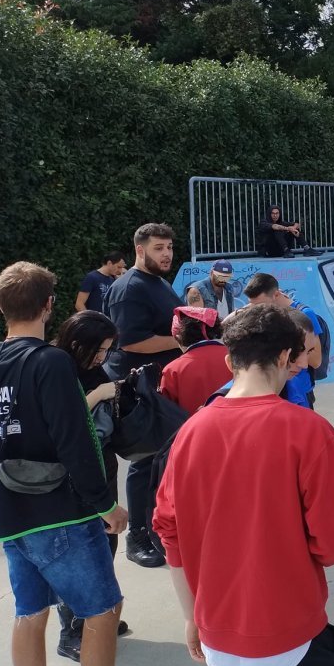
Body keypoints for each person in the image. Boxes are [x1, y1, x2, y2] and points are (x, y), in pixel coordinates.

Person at [153, 304, 334, 666]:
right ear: (284, 357)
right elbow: (333, 546)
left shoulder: (189, 433)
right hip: (289, 629)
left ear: (230, 362)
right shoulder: (310, 432)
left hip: (215, 631)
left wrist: (191, 616)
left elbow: (169, 530)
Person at [0, 262, 128, 666]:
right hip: (59, 514)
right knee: (103, 610)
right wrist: (105, 505)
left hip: (8, 516)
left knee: (30, 611)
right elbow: (76, 440)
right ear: (49, 305)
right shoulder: (51, 361)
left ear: (0, 305)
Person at [51, 310, 131, 661]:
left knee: (104, 544)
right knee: (76, 554)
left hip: (102, 468)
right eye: (98, 349)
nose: (102, 357)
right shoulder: (55, 367)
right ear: (77, 343)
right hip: (71, 476)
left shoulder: (92, 369)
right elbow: (60, 423)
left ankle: (96, 618)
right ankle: (71, 632)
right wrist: (98, 394)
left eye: (107, 350)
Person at [103, 223, 182, 569]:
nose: (166, 254)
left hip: (159, 386)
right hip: (137, 391)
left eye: (169, 247)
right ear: (139, 250)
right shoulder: (128, 288)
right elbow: (131, 341)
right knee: (145, 461)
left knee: (162, 461)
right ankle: (137, 537)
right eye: (158, 248)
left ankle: (158, 529)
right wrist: (183, 341)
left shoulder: (159, 283)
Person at [244, 273, 328, 398]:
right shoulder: (270, 314)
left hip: (299, 390)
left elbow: (316, 361)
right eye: (253, 305)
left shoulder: (305, 314)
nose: (257, 310)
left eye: (261, 305)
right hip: (276, 387)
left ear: (276, 295)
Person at [159, 307, 230, 415]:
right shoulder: (236, 356)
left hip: (192, 424)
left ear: (178, 337)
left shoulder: (172, 370)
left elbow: (166, 413)